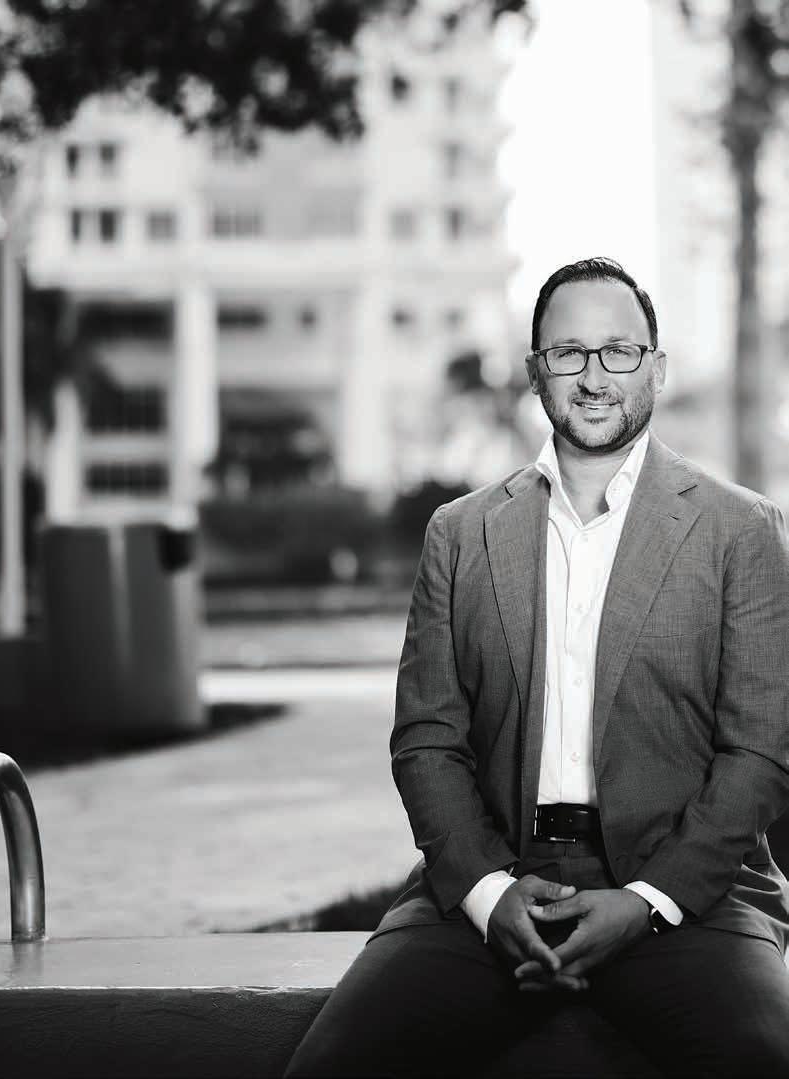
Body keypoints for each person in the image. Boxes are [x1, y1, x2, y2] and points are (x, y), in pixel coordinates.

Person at [285, 257, 789, 1078]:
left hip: (690, 894)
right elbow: (426, 741)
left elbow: (760, 753)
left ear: (656, 368)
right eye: (568, 352)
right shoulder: (460, 533)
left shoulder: (743, 530)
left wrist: (644, 902)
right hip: (491, 883)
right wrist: (487, 893)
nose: (594, 377)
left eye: (618, 351)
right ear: (534, 371)